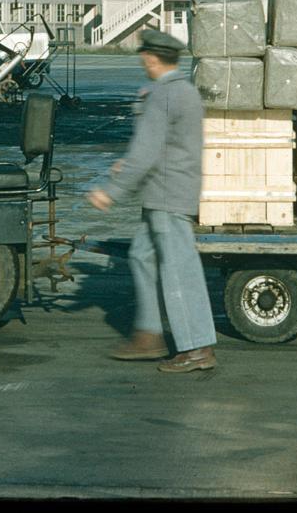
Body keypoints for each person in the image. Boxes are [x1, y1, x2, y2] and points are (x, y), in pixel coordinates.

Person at [88, 28, 217, 373]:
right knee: (141, 255)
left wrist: (110, 192)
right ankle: (149, 334)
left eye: (143, 56)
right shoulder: (185, 91)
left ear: (151, 57)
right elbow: (169, 147)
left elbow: (146, 152)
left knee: (178, 270)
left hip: (166, 195)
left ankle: (196, 348)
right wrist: (129, 165)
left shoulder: (161, 95)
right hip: (173, 188)